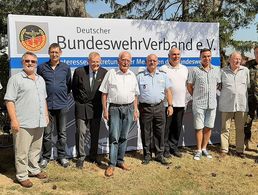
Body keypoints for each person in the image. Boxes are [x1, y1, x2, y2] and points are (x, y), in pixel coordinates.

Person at [4, 51, 49, 188]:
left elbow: (44, 99)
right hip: (23, 122)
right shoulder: (16, 79)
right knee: (22, 151)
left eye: (33, 61)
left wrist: (46, 115)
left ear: (36, 63)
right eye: (27, 61)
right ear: (22, 62)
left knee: (35, 149)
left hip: (39, 121)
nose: (30, 63)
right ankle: (22, 176)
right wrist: (14, 120)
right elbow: (9, 101)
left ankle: (33, 169)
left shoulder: (40, 79)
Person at [99, 51, 139, 177]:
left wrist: (136, 109)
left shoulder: (133, 75)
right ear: (118, 61)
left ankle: (120, 161)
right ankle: (111, 164)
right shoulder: (111, 73)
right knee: (114, 137)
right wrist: (105, 110)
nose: (125, 62)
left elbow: (135, 95)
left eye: (128, 60)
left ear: (130, 62)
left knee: (124, 137)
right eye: (123, 59)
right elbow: (104, 93)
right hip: (114, 109)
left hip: (129, 109)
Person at [37, 43, 72, 168]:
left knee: (62, 133)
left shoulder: (66, 68)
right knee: (47, 134)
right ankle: (46, 157)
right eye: (52, 52)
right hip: (47, 106)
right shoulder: (42, 68)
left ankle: (62, 156)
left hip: (62, 105)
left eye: (56, 52)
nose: (54, 54)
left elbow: (68, 85)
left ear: (60, 53)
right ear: (49, 53)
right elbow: (39, 85)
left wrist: (61, 95)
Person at [72, 52, 107, 169]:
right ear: (88, 61)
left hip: (96, 108)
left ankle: (93, 155)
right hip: (82, 106)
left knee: (95, 133)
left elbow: (105, 92)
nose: (95, 64)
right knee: (81, 132)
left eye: (97, 62)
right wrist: (79, 102)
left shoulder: (104, 72)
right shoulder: (79, 71)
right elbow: (74, 89)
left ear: (100, 62)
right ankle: (81, 157)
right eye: (93, 62)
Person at [137, 54, 173, 165]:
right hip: (145, 108)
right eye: (149, 61)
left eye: (154, 60)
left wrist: (170, 105)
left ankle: (159, 155)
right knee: (145, 132)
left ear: (157, 62)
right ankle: (147, 155)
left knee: (160, 132)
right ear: (146, 62)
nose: (152, 62)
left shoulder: (163, 76)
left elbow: (168, 91)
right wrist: (136, 108)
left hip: (159, 107)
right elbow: (135, 94)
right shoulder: (140, 76)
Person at [187, 48, 221, 160]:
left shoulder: (216, 70)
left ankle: (204, 148)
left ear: (211, 57)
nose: (207, 58)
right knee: (199, 127)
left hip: (212, 104)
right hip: (199, 104)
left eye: (209, 56)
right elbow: (189, 86)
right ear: (200, 57)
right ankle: (198, 150)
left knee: (208, 127)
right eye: (204, 56)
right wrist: (195, 97)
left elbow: (218, 85)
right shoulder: (195, 70)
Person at [219, 52, 250, 158]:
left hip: (241, 104)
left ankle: (240, 150)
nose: (237, 61)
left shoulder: (245, 71)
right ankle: (224, 149)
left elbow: (248, 86)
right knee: (225, 128)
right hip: (226, 104)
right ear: (229, 60)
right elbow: (219, 87)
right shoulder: (222, 71)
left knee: (240, 129)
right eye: (235, 59)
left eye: (239, 59)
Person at [160, 48, 188, 158]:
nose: (176, 56)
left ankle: (174, 147)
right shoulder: (163, 68)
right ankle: (165, 149)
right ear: (169, 56)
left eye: (178, 54)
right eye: (173, 54)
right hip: (168, 104)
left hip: (181, 104)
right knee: (166, 128)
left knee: (177, 127)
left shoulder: (184, 68)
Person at [244, 45, 258, 150]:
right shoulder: (248, 65)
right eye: (256, 53)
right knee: (247, 121)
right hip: (250, 99)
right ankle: (246, 140)